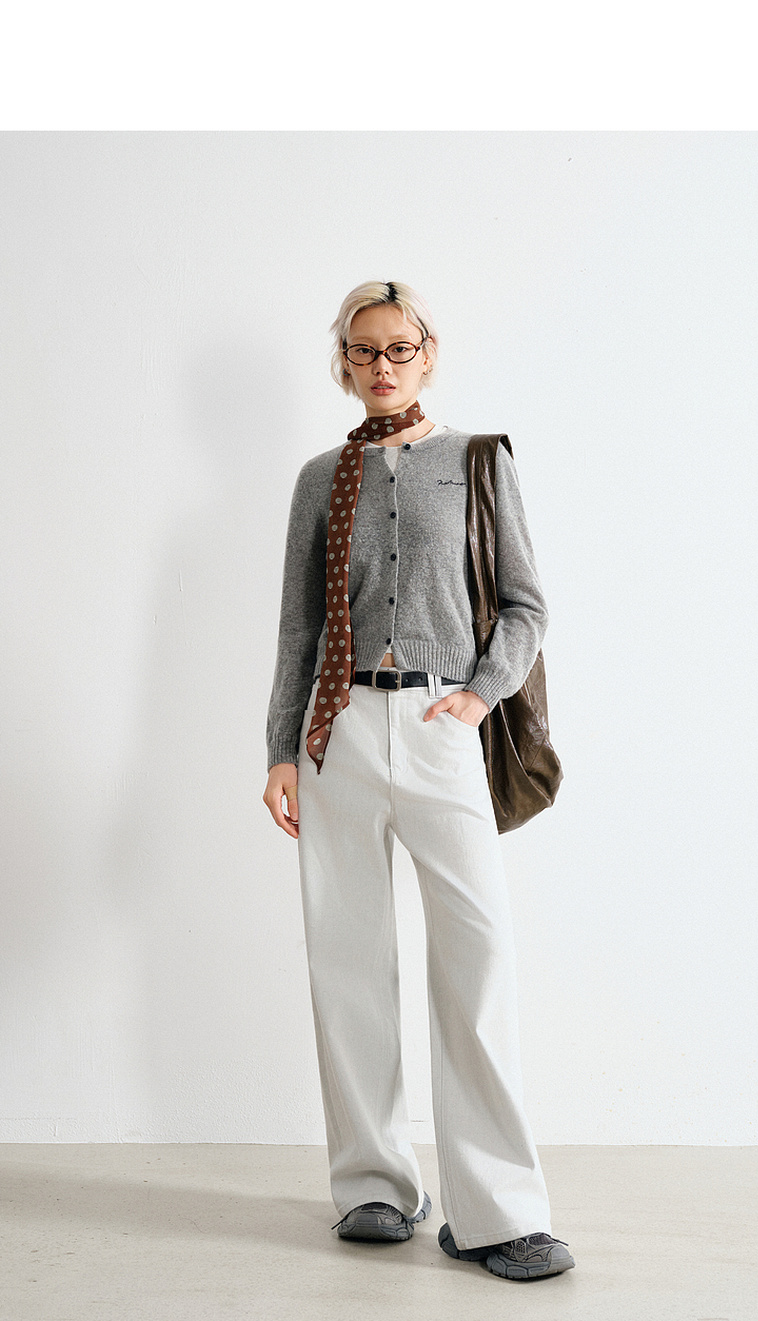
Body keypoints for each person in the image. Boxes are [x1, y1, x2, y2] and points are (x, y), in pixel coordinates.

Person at [263, 280, 574, 1282]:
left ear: (428, 353)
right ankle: (372, 1185)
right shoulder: (321, 478)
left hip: (444, 727)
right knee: (347, 959)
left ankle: (498, 1211)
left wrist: (480, 696)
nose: (382, 365)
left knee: (477, 960)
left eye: (399, 348)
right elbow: (300, 626)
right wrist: (280, 749)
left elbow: (524, 605)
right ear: (344, 363)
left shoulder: (479, 461)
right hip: (338, 730)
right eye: (364, 351)